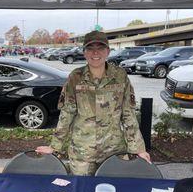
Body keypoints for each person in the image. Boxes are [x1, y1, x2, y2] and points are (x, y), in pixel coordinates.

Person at [36, 30, 151, 175]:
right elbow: (67, 113)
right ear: (84, 52)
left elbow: (128, 114)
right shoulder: (75, 77)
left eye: (100, 48)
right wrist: (55, 146)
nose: (95, 53)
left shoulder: (120, 76)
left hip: (113, 149)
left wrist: (138, 149)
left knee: (111, 189)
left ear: (108, 51)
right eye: (90, 48)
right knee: (81, 190)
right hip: (82, 152)